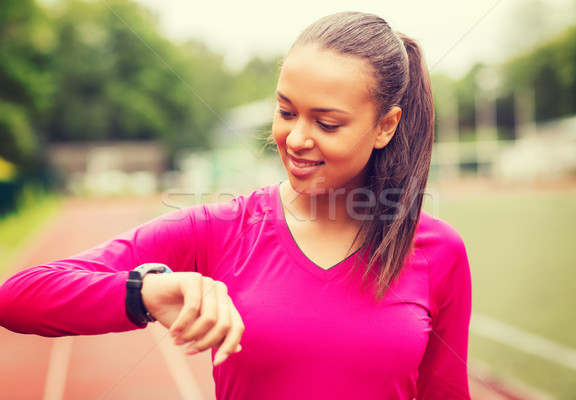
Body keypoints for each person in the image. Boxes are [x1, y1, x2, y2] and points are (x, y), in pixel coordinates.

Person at [0, 11, 471, 400]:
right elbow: (18, 297)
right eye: (287, 111)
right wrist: (144, 291)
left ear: (386, 127)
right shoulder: (221, 228)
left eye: (327, 123)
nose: (297, 138)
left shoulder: (438, 251)